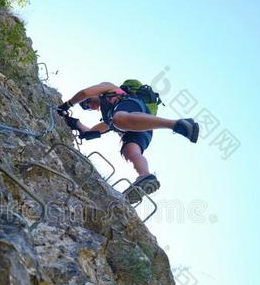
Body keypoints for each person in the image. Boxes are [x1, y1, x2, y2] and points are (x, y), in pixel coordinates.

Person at [57, 81, 199, 202]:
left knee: (119, 119)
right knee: (129, 151)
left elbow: (85, 92)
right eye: (87, 108)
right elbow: (91, 132)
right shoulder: (108, 117)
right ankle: (145, 177)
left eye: (87, 102)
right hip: (141, 126)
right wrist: (75, 123)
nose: (89, 106)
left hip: (132, 107)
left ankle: (177, 124)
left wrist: (67, 104)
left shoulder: (109, 88)